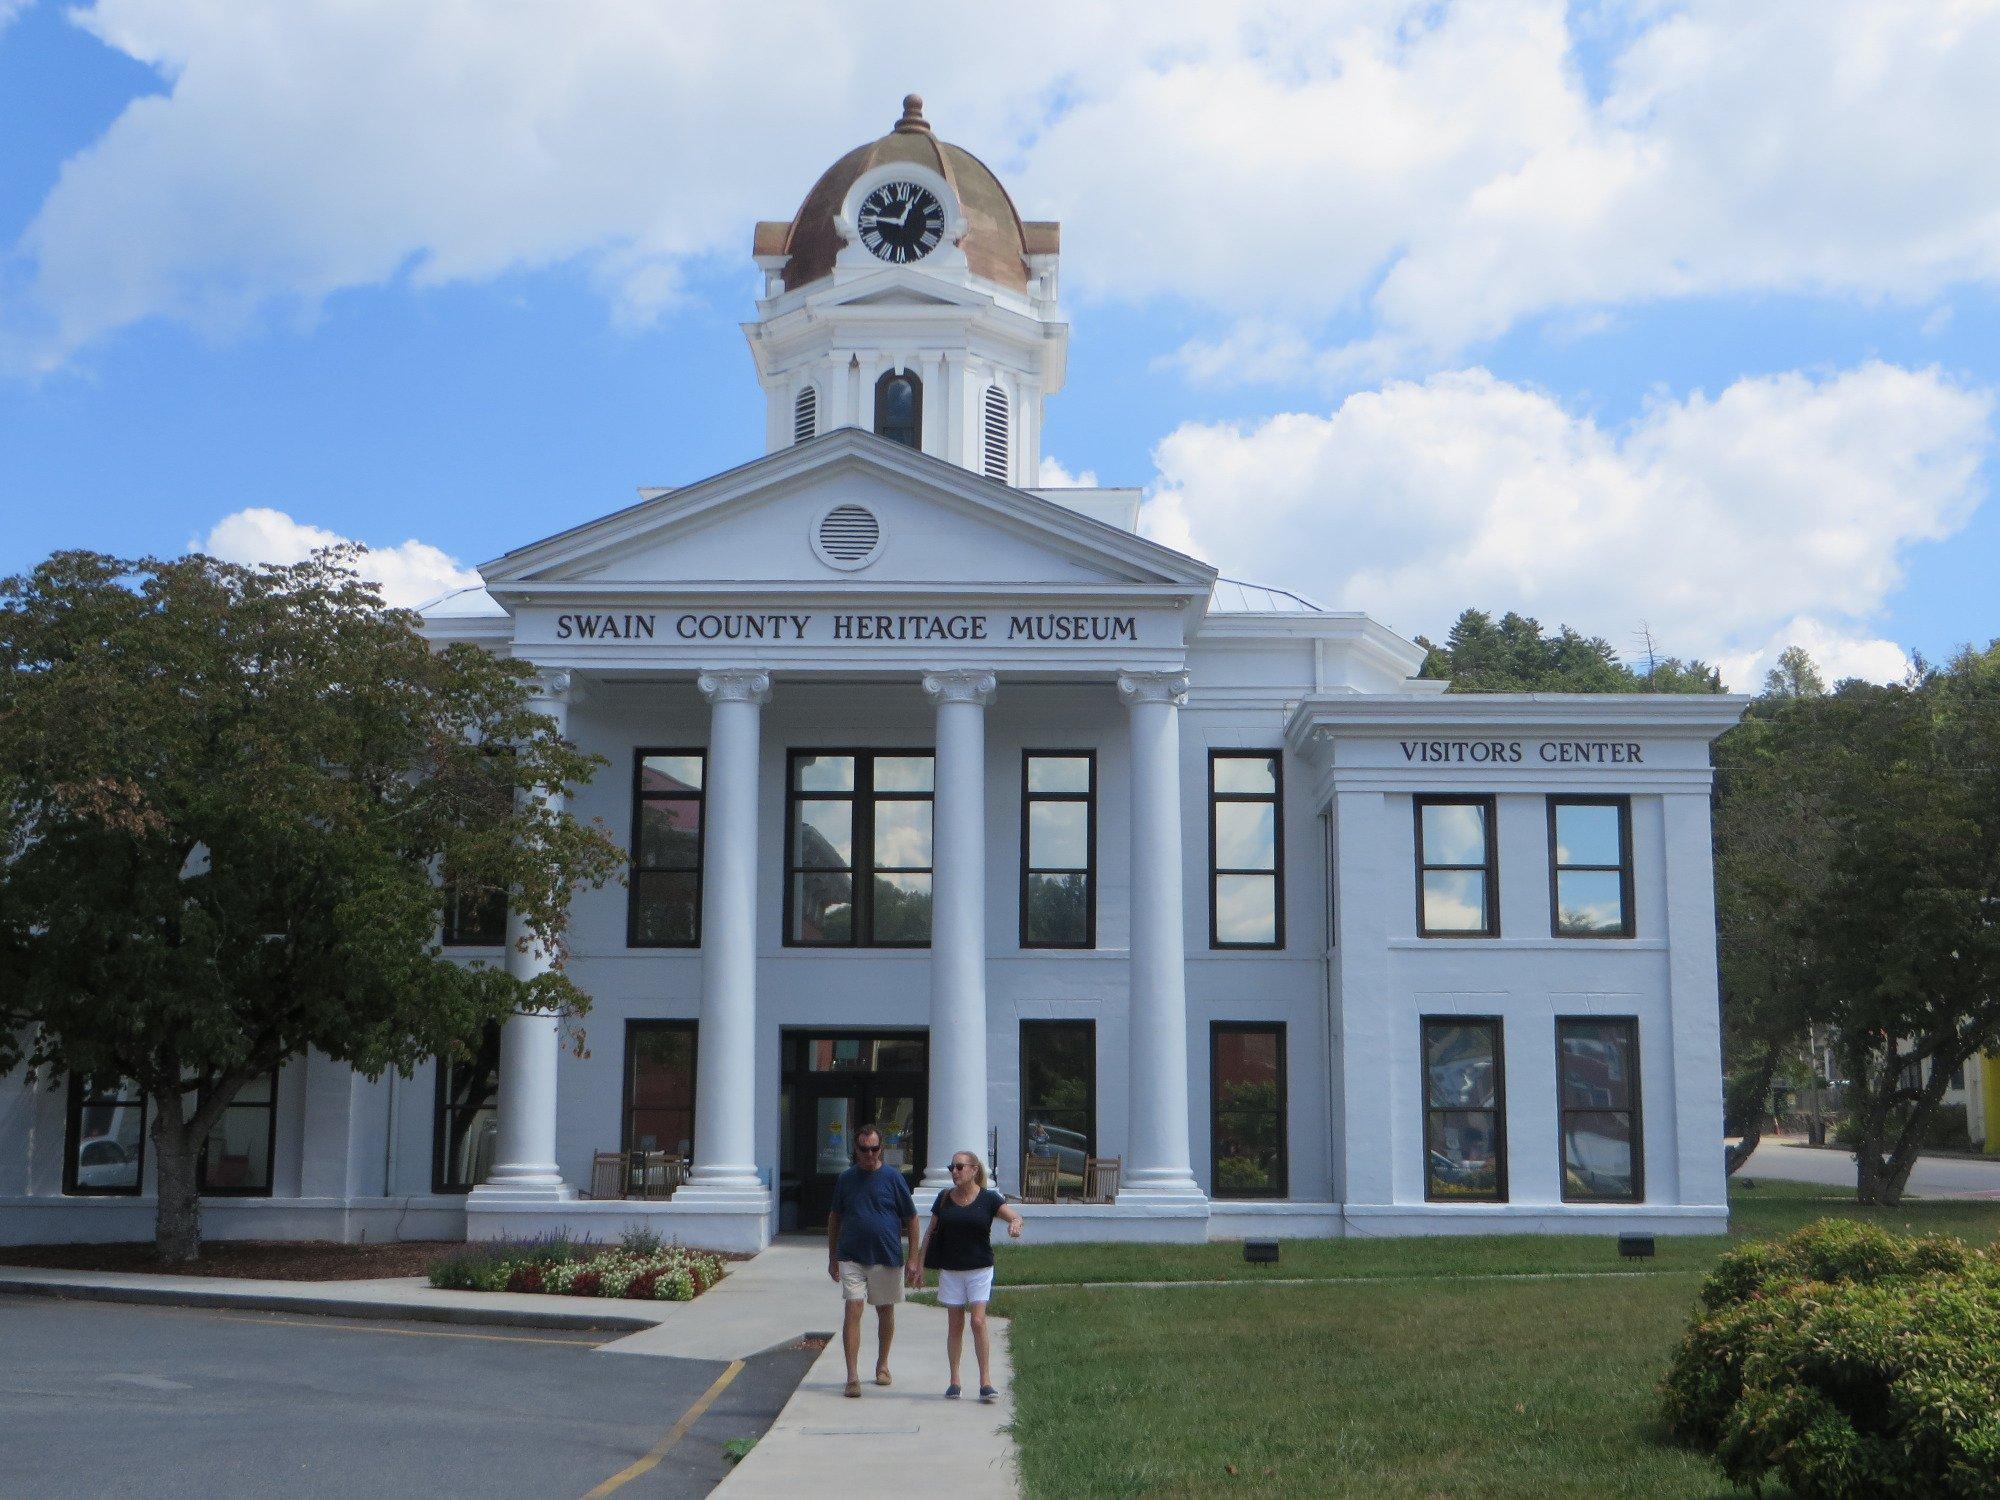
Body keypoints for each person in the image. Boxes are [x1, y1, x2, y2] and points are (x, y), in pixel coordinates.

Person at [918, 1148, 1022, 1403]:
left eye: (960, 1167)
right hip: (951, 1270)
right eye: (952, 1167)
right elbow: (930, 1232)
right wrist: (918, 1264)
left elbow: (1015, 1216)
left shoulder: (989, 1199)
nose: (955, 1171)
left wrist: (1014, 1224)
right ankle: (954, 1380)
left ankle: (985, 1381)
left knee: (977, 1321)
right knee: (955, 1323)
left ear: (974, 1170)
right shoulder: (944, 1198)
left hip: (980, 1268)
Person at [826, 1122, 920, 1399]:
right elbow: (835, 1218)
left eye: (875, 1149)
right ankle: (852, 1375)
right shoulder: (846, 1179)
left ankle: (882, 1364)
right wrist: (832, 1257)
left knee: (884, 1310)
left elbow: (911, 1219)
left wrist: (914, 1257)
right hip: (851, 1255)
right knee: (853, 1308)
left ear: (882, 1149)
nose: (870, 1154)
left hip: (886, 1255)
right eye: (864, 1149)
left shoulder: (893, 1178)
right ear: (856, 1150)